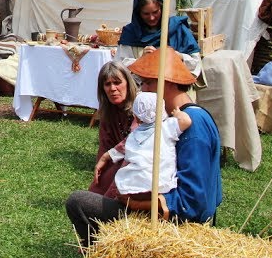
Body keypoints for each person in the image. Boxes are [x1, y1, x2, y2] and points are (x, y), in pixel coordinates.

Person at [65, 46, 223, 249]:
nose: (143, 90)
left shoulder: (193, 124)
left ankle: (104, 251)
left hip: (178, 223)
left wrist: (136, 204)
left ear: (165, 83)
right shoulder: (176, 119)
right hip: (163, 208)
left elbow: (193, 203)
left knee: (78, 202)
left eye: (147, 83)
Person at [98, 91, 192, 218]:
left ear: (136, 117)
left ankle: (131, 210)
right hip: (160, 186)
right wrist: (178, 113)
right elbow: (186, 121)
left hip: (132, 188)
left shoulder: (134, 136)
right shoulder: (166, 127)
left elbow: (119, 150)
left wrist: (105, 157)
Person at [117, 0, 202, 77]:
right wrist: (142, 60)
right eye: (146, 14)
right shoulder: (130, 33)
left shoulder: (178, 29)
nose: (152, 18)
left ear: (162, 9)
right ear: (138, 13)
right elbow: (119, 66)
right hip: (142, 88)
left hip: (175, 86)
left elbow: (196, 63)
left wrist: (178, 56)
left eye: (155, 12)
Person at [87, 61, 138, 196]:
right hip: (116, 161)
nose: (113, 88)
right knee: (94, 192)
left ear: (127, 83)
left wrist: (108, 156)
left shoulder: (140, 106)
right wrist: (100, 168)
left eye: (117, 82)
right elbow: (105, 144)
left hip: (136, 163)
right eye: (107, 84)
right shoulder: (108, 112)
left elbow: (137, 139)